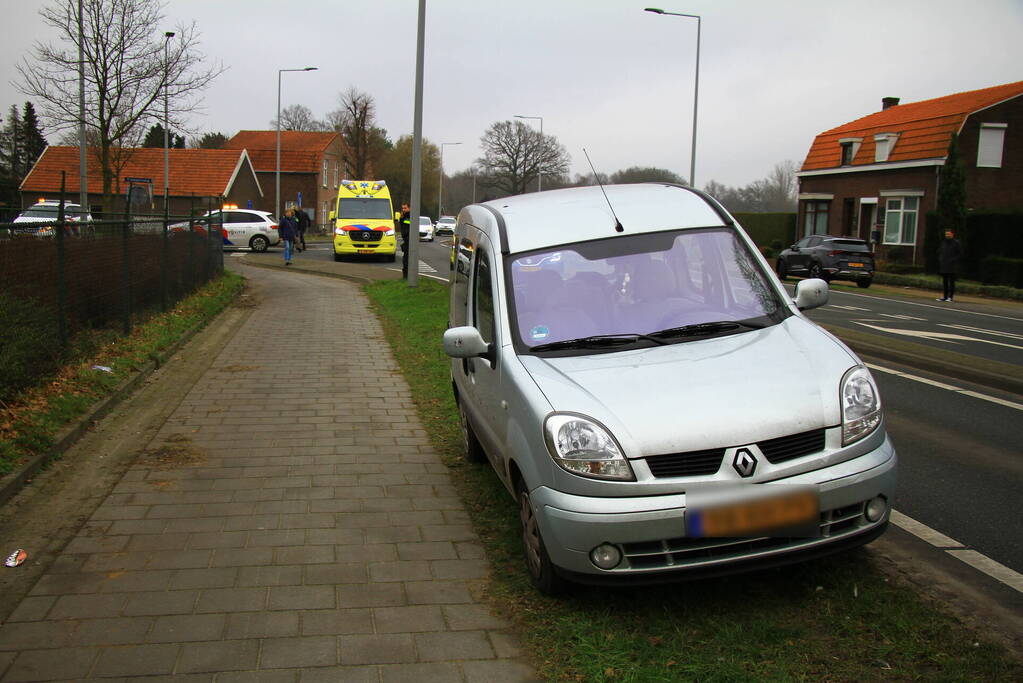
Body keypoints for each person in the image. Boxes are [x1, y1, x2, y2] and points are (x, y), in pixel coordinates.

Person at [937, 229, 963, 302]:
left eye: (949, 234)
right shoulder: (943, 242)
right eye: (946, 234)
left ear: (952, 234)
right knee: (944, 282)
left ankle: (950, 297)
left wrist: (953, 260)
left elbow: (960, 254)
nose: (947, 235)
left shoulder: (956, 243)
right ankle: (945, 296)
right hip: (944, 265)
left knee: (951, 282)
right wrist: (941, 259)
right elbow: (941, 251)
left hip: (952, 266)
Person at [398, 202, 412, 278]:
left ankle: (407, 275)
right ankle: (405, 275)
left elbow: (407, 227)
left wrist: (402, 218)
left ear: (409, 208)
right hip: (406, 239)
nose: (403, 209)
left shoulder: (409, 216)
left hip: (409, 239)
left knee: (407, 258)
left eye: (405, 208)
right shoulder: (403, 216)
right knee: (405, 258)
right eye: (402, 208)